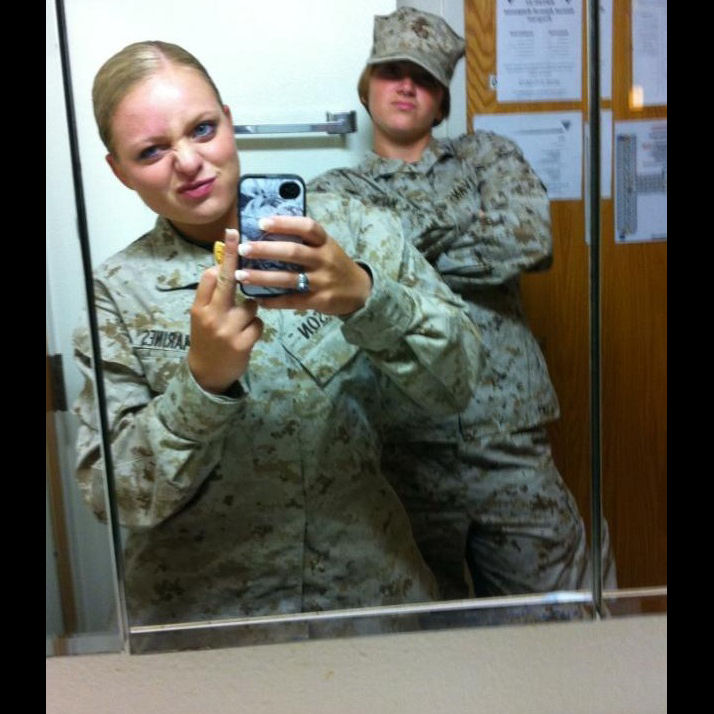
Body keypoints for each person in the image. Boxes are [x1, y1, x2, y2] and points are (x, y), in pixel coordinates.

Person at [72, 40, 484, 641]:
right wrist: (202, 383)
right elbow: (117, 499)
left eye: (202, 129)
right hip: (204, 626)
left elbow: (460, 382)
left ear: (229, 121)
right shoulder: (115, 293)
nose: (188, 162)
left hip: (364, 599)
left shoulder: (349, 231)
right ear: (119, 170)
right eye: (152, 151)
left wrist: (367, 297)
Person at [309, 7, 616, 601]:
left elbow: (527, 239)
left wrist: (390, 256)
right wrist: (458, 228)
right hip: (398, 443)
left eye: (423, 77)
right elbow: (340, 281)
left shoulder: (488, 157)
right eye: (392, 71)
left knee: (556, 610)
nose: (406, 86)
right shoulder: (334, 191)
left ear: (442, 101)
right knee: (421, 626)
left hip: (506, 432)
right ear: (367, 87)